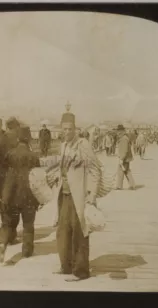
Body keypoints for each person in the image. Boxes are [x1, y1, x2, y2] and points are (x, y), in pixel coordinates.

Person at [55, 111, 102, 282]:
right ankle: (66, 266)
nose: (66, 132)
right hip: (65, 195)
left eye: (69, 129)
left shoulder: (83, 145)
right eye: (64, 129)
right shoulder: (63, 145)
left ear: (75, 129)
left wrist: (92, 194)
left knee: (80, 232)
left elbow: (95, 169)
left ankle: (80, 270)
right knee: (63, 231)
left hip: (79, 196)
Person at [0, 126, 40, 262]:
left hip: (11, 194)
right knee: (28, 223)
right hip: (28, 195)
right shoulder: (33, 156)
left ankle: (2, 243)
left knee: (7, 222)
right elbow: (39, 178)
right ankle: (26, 250)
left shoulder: (10, 154)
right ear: (28, 139)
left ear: (18, 139)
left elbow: (1, 175)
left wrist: (1, 194)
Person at [115, 125, 136, 190]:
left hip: (124, 158)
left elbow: (124, 150)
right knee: (125, 171)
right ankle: (131, 185)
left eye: (118, 131)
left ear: (121, 131)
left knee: (123, 171)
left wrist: (121, 159)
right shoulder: (124, 138)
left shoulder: (123, 139)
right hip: (125, 158)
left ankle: (120, 186)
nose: (117, 132)